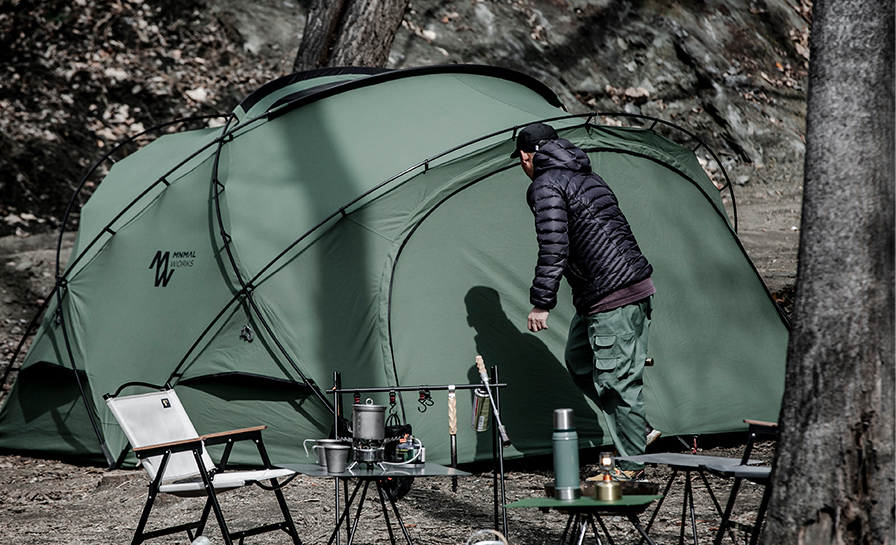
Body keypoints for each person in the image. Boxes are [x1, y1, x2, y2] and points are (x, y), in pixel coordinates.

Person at [513, 122, 657, 477]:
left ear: (526, 157)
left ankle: (631, 467)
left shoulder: (545, 185)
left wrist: (542, 302)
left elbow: (554, 245)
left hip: (612, 295)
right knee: (579, 359)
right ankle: (637, 428)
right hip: (622, 288)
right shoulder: (586, 175)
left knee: (617, 382)